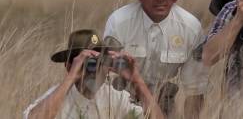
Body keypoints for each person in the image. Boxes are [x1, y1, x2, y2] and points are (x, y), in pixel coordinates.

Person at [103, 0, 209, 118]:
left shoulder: (191, 27)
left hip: (163, 101)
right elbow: (106, 74)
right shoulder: (119, 21)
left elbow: (195, 89)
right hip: (121, 99)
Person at [23, 29, 164, 119]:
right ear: (69, 66)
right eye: (87, 62)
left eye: (100, 61)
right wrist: (71, 78)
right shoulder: (55, 98)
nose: (95, 70)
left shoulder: (116, 98)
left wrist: (137, 80)